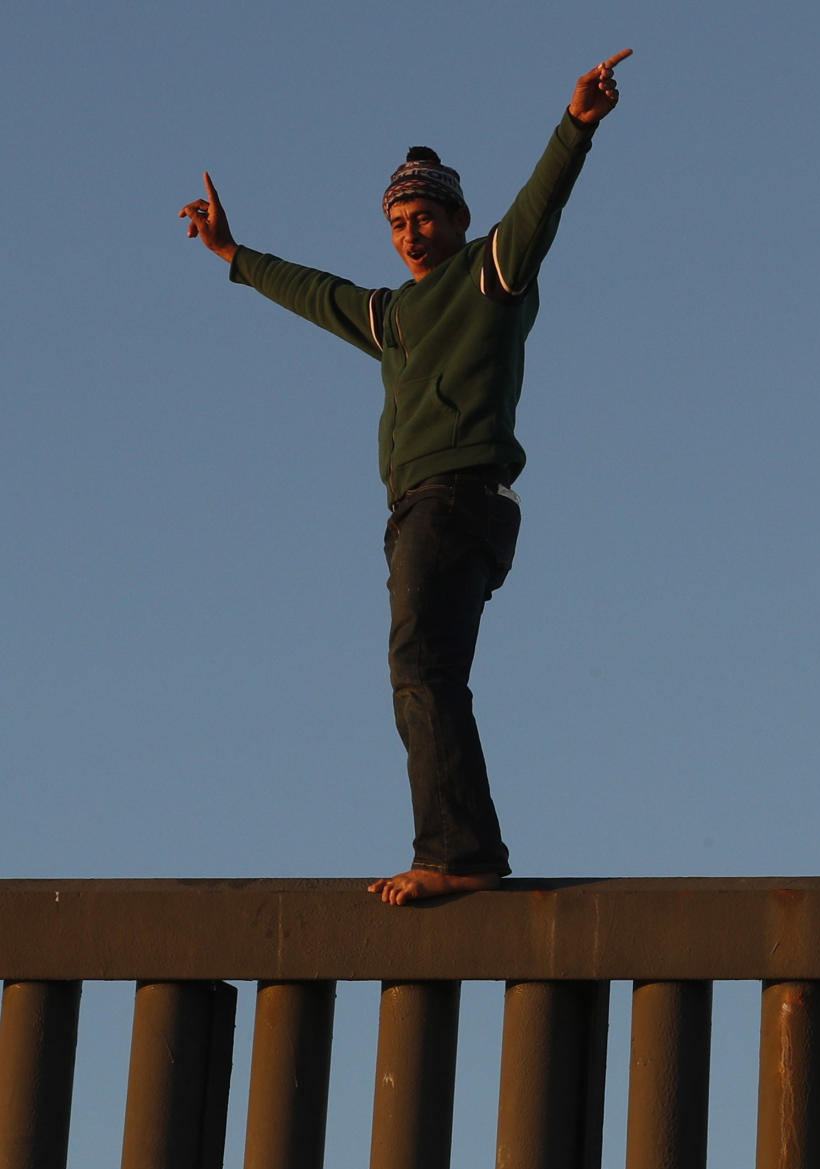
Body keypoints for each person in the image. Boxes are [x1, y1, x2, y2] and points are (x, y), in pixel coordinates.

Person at [180, 49, 632, 905]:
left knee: (418, 664)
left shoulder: (490, 274)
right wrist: (232, 252)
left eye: (425, 216)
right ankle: (471, 851)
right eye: (398, 222)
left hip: (454, 498)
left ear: (458, 220)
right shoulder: (393, 314)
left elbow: (539, 208)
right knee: (428, 676)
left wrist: (576, 125)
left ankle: (452, 851)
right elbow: (316, 292)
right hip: (429, 511)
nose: (410, 232)